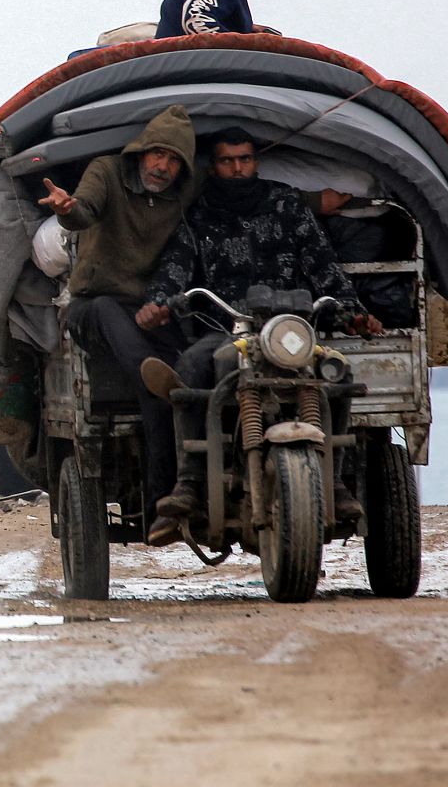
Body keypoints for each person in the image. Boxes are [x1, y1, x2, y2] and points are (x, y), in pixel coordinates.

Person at [138, 128, 378, 542]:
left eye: (245, 160)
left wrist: (353, 313)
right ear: (214, 166)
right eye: (228, 161)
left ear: (255, 161)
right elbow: (175, 266)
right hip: (226, 328)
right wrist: (159, 302)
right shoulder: (198, 214)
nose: (237, 169)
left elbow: (323, 265)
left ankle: (336, 483)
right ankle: (191, 482)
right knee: (193, 365)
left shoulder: (285, 204)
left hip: (291, 330)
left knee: (334, 371)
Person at [36, 105, 201, 526]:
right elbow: (84, 209)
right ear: (141, 151)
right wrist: (66, 208)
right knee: (120, 329)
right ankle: (147, 368)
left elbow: (238, 188)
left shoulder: (185, 190)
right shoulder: (106, 171)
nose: (162, 166)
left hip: (152, 308)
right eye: (157, 154)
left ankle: (164, 506)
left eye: (173, 159)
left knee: (170, 391)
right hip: (93, 306)